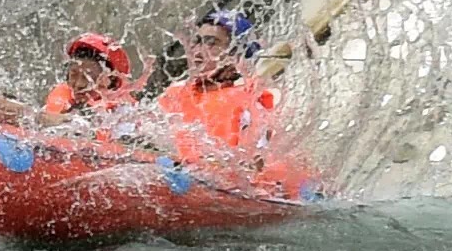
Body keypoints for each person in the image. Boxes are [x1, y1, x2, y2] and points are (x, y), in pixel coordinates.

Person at [155, 9, 277, 163]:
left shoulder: (251, 101)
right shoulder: (174, 94)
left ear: (236, 55)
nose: (197, 52)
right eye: (197, 41)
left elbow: (255, 167)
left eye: (211, 43)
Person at [43, 33, 140, 116]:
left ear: (109, 81)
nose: (78, 84)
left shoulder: (124, 112)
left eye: (88, 77)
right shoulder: (61, 97)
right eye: (73, 74)